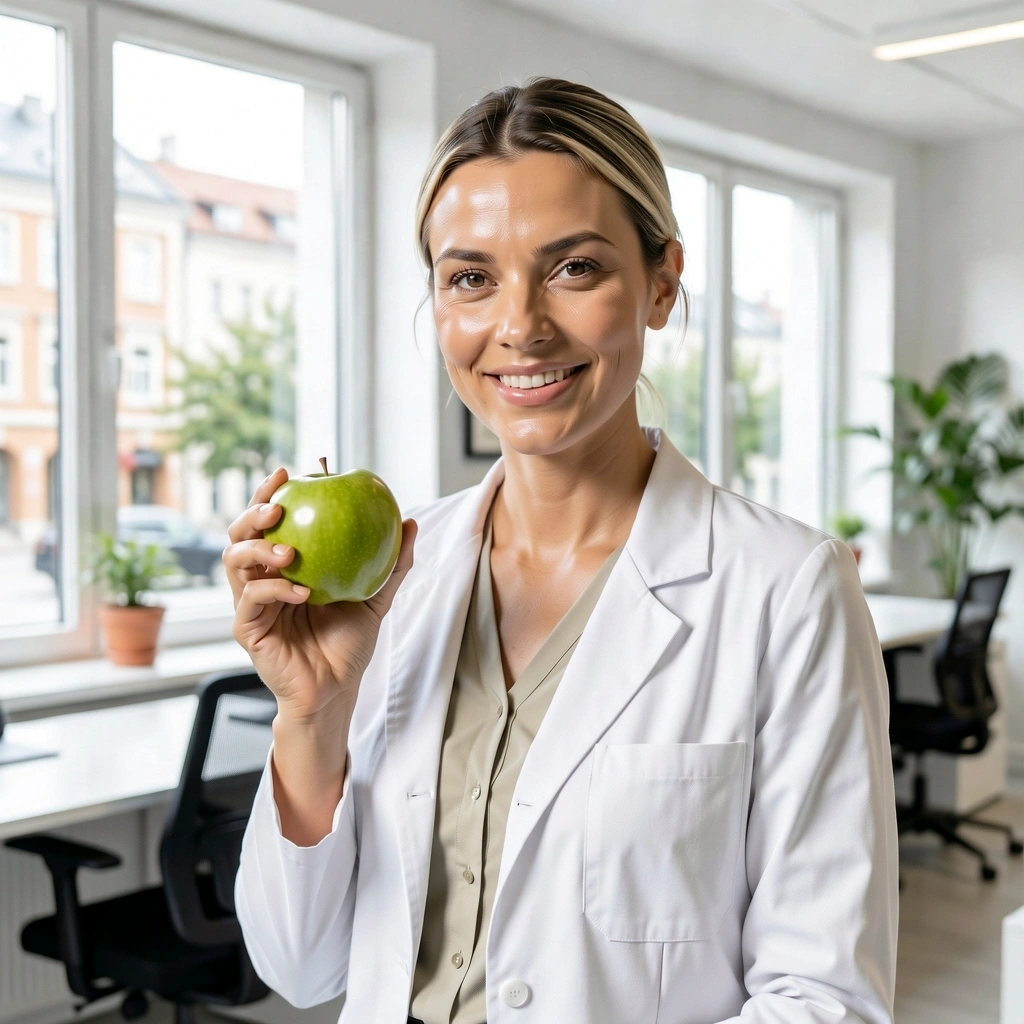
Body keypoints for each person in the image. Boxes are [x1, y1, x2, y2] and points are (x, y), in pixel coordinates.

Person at [230, 78, 898, 1024]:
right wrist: (313, 713)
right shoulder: (392, 584)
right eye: (470, 278)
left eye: (574, 268)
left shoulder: (786, 591)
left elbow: (822, 996)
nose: (519, 325)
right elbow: (301, 968)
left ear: (662, 281)